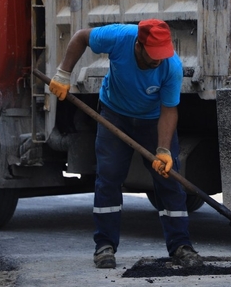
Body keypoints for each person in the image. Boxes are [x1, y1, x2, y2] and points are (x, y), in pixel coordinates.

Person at [48, 19, 202, 269]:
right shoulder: (119, 37)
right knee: (108, 178)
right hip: (114, 115)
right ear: (138, 45)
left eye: (162, 54)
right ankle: (105, 246)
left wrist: (163, 150)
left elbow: (169, 110)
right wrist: (64, 73)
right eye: (153, 54)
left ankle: (181, 245)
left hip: (153, 121)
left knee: (168, 180)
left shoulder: (171, 66)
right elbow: (81, 37)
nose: (158, 60)